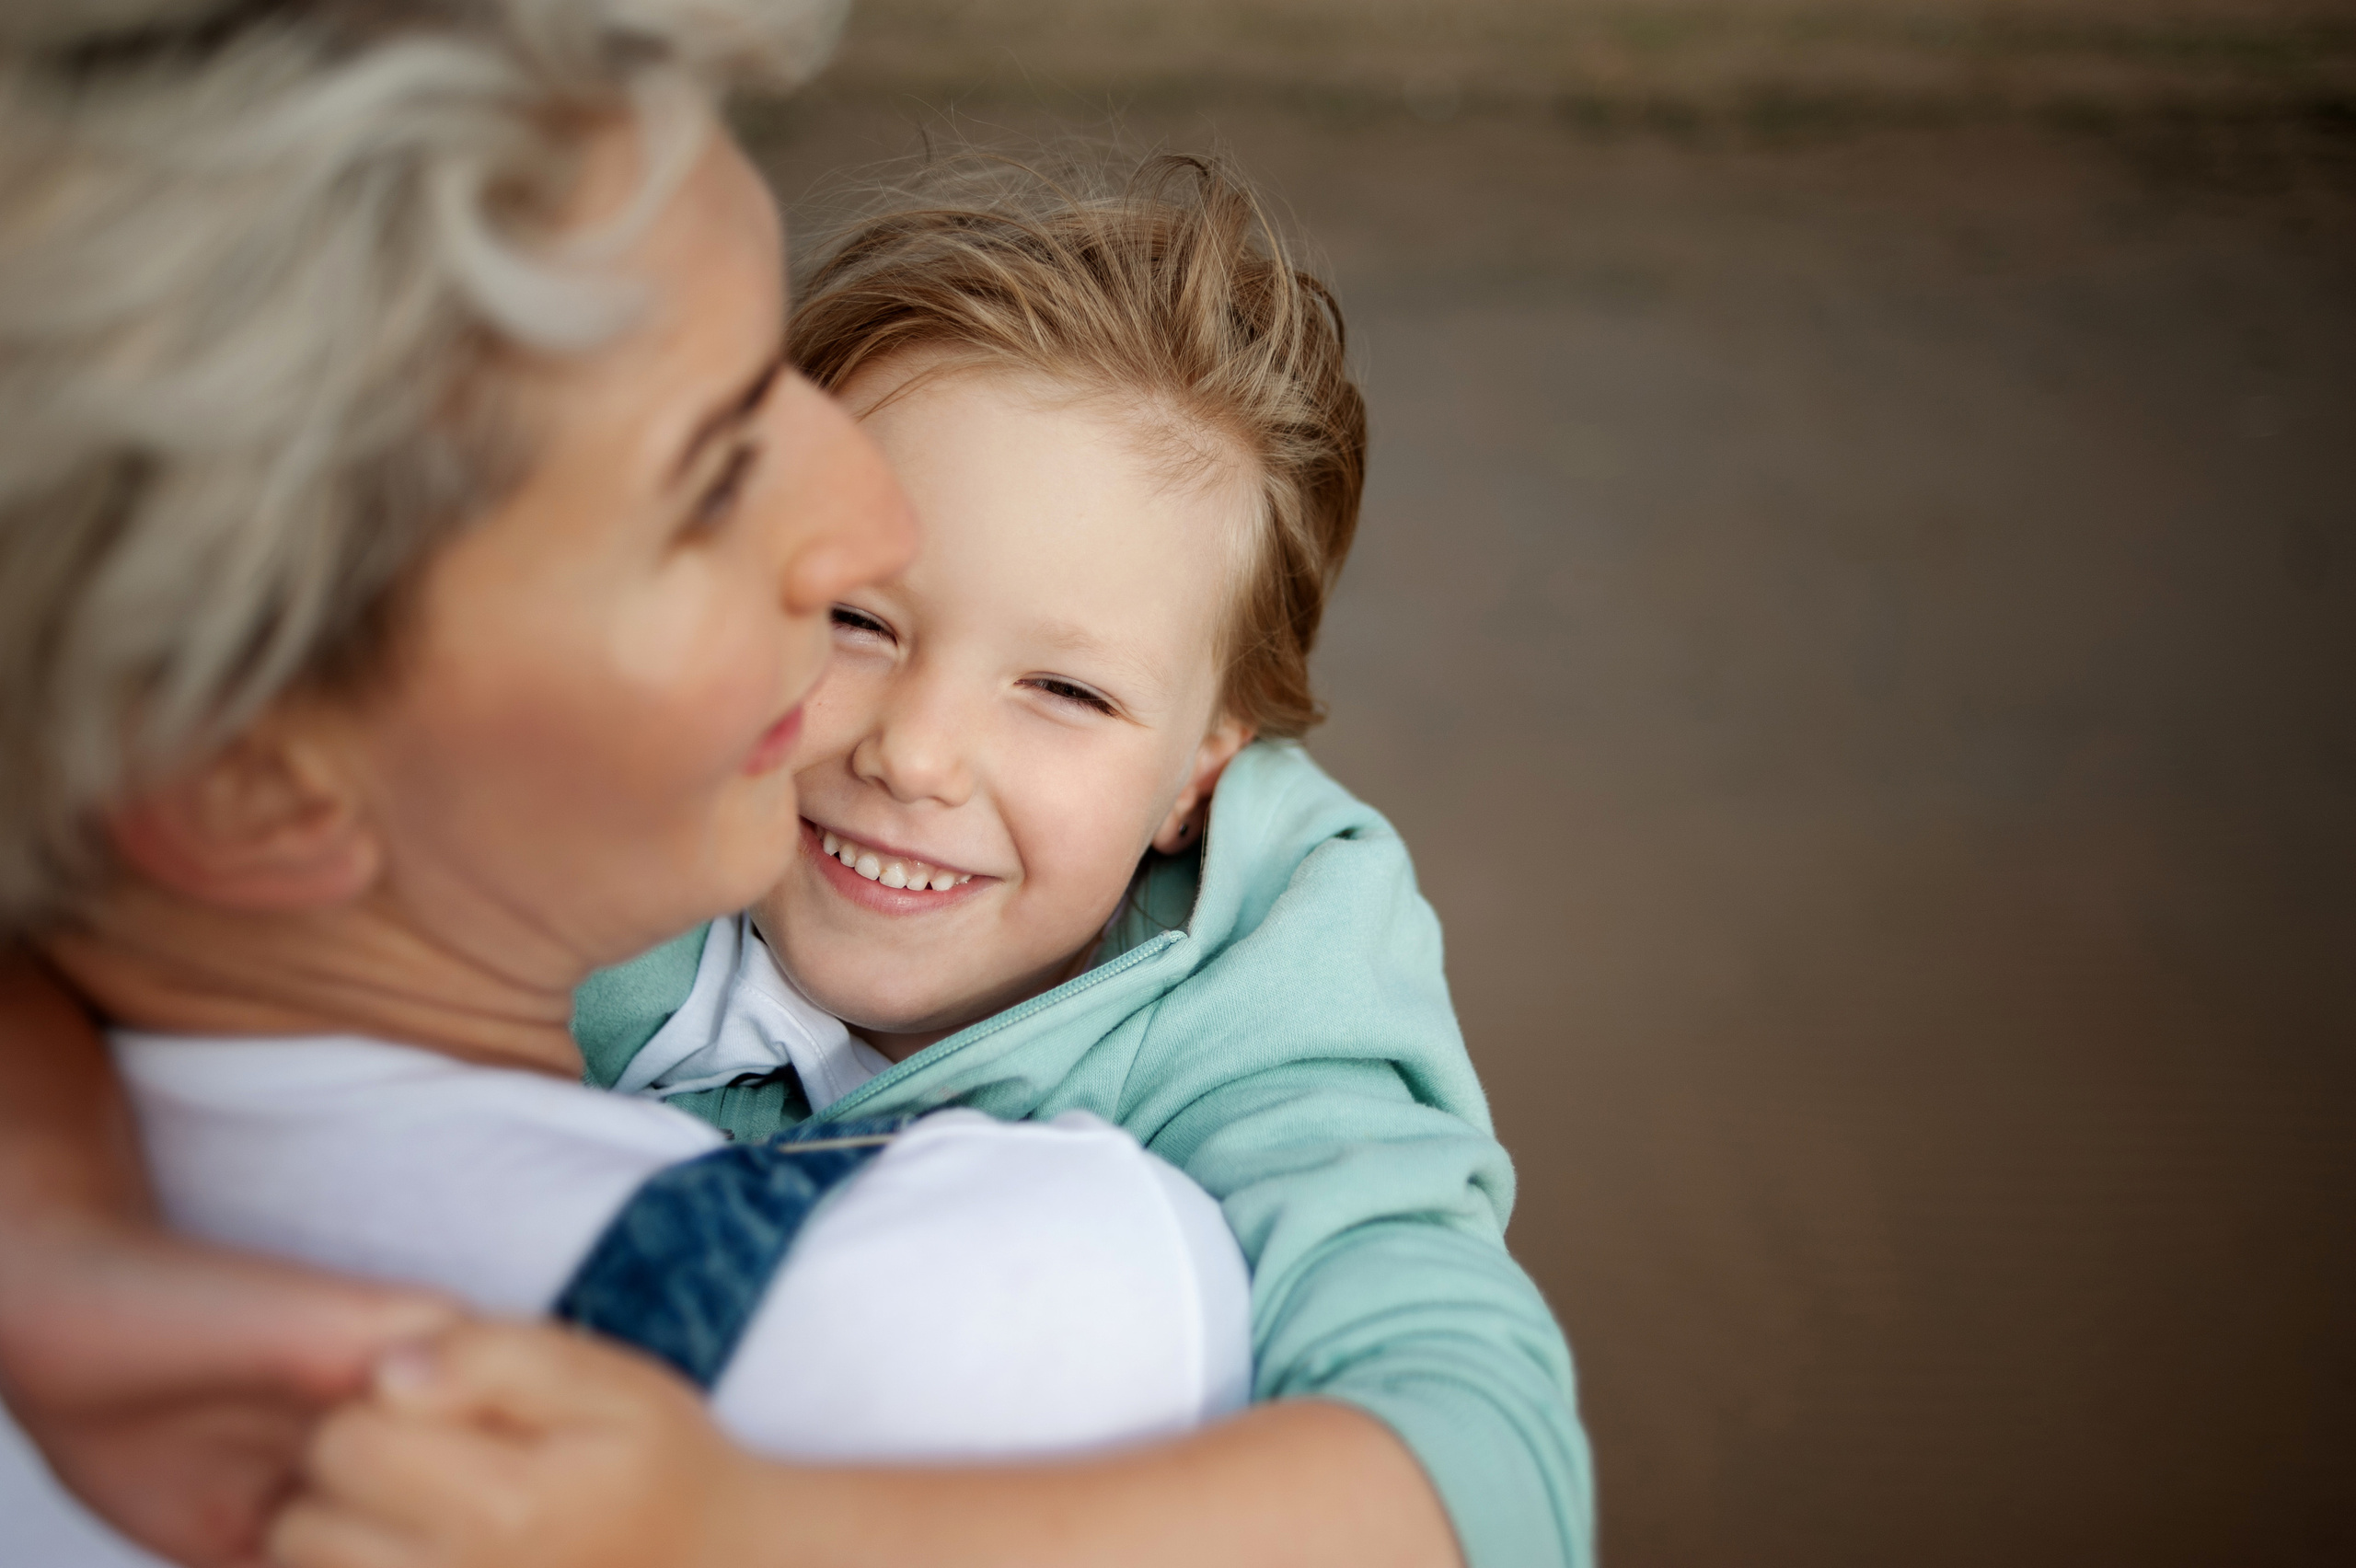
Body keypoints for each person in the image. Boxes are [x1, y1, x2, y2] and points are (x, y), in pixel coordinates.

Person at [0, 6, 1487, 1568]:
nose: (865, 527)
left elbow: (1464, 1448)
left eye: (1065, 690)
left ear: (1201, 776)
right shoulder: (1044, 1311)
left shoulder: (1270, 982)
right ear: (249, 786)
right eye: (710, 472)